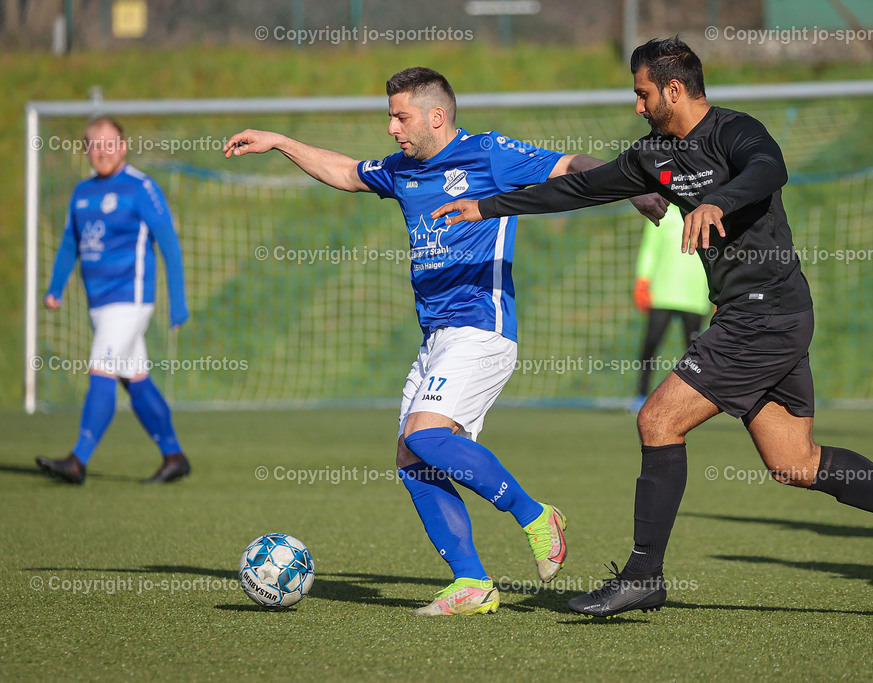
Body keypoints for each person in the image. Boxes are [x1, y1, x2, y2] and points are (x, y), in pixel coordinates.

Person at [433, 37, 873, 616]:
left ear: (674, 89)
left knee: (658, 419)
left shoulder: (736, 132)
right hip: (764, 315)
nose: (638, 106)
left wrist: (718, 202)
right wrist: (490, 206)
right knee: (796, 461)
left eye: (643, 94)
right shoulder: (653, 154)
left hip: (766, 311)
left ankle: (644, 575)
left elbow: (771, 169)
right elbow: (581, 187)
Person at [223, 67, 665, 616]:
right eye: (389, 116)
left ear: (437, 116)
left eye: (400, 116)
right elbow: (344, 172)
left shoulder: (489, 154)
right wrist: (281, 142)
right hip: (437, 337)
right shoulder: (402, 170)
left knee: (425, 437)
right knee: (413, 460)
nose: (391, 128)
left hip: (482, 327)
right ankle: (472, 583)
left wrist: (634, 189)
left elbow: (572, 164)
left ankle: (535, 515)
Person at [36, 116, 191, 485]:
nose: (102, 152)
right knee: (133, 378)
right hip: (99, 304)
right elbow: (70, 243)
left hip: (131, 299)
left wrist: (179, 301)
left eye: (109, 144)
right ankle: (174, 455)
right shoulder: (82, 193)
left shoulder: (141, 187)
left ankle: (78, 460)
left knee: (101, 369)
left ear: (123, 147)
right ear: (86, 150)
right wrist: (55, 288)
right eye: (94, 144)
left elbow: (168, 242)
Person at [633, 207, 711, 410]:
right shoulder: (663, 213)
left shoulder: (707, 214)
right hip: (662, 292)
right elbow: (649, 248)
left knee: (694, 351)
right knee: (651, 345)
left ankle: (695, 399)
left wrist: (718, 289)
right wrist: (642, 279)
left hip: (695, 295)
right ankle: (641, 396)